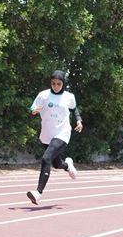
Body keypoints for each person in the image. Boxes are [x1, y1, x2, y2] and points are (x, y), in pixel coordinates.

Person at [26, 70, 82, 205]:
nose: (56, 86)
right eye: (53, 83)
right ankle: (67, 166)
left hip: (62, 133)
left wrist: (79, 121)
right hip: (47, 134)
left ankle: (38, 192)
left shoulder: (69, 97)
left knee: (46, 158)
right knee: (56, 164)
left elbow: (74, 109)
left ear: (63, 84)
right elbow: (32, 109)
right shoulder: (43, 95)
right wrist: (33, 112)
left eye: (59, 84)